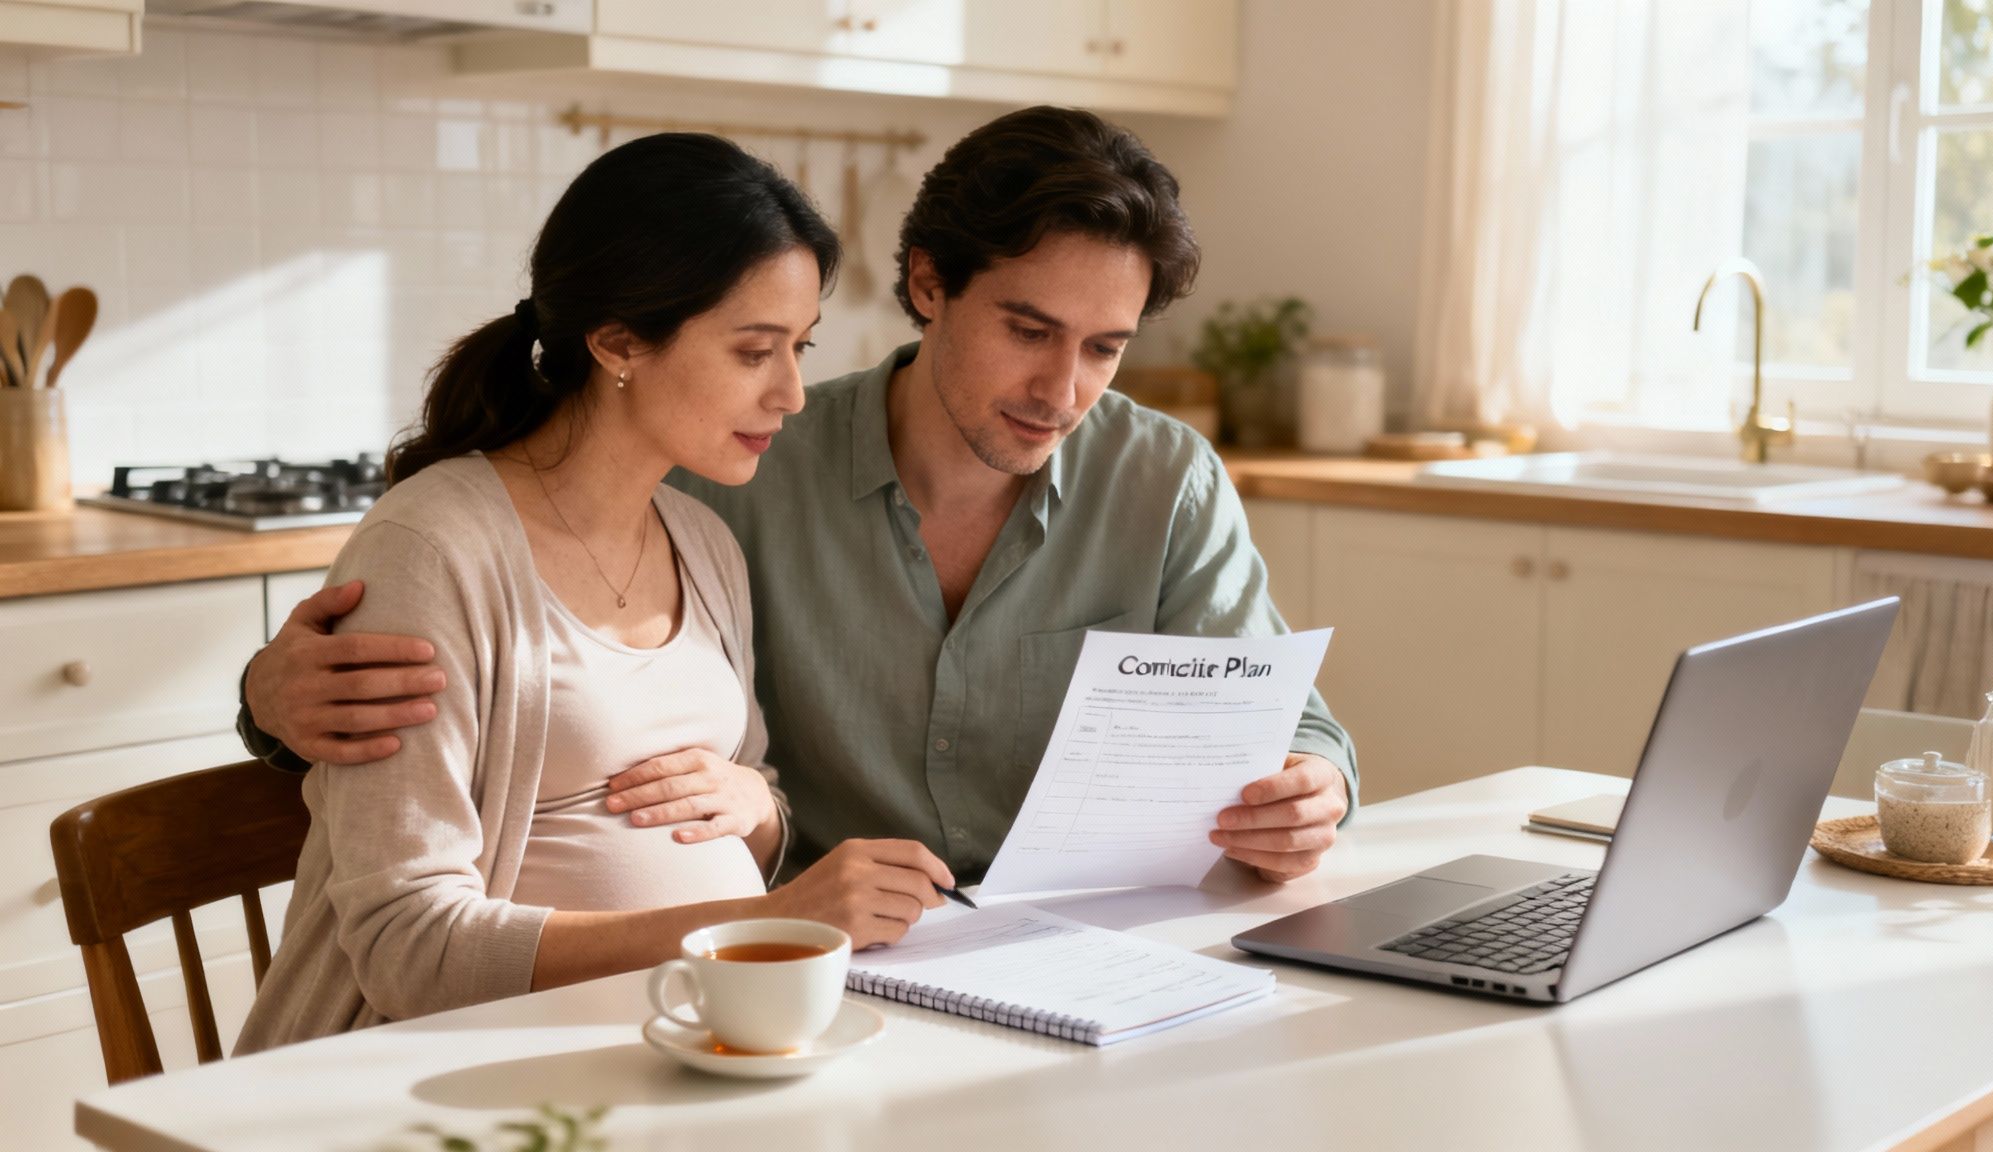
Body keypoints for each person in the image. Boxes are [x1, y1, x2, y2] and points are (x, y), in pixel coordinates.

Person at [238, 105, 1359, 891]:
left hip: (1072, 950)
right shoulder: (729, 463)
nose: (1060, 390)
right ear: (926, 283)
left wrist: (1313, 787)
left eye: (1103, 347)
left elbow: (1275, 719)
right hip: (833, 963)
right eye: (1027, 331)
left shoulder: (1164, 479)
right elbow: (504, 672)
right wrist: (267, 702)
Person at [235, 133, 953, 1055]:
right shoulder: (435, 550)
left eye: (800, 348)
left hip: (671, 1051)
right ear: (618, 341)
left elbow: (748, 808)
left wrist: (762, 816)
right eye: (753, 351)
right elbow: (404, 949)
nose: (793, 393)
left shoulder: (701, 542)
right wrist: (755, 926)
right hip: (440, 1071)